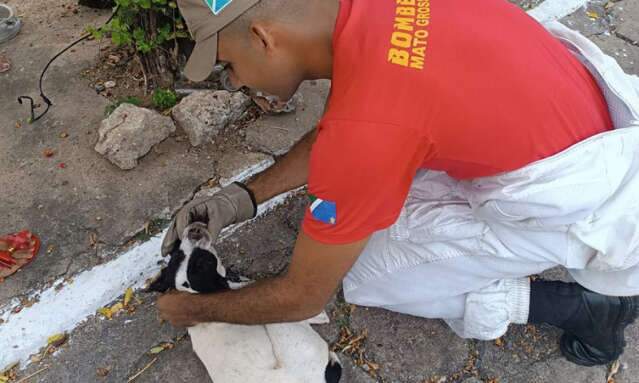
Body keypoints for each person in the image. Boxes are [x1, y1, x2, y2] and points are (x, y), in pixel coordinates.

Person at [157, 0, 639, 367]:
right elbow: (349, 127)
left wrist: (196, 311)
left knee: (369, 274)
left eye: (229, 64)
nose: (237, 81)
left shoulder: (369, 130)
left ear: (265, 38)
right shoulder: (369, 16)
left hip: (582, 200)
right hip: (585, 114)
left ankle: (589, 309)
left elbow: (303, 296)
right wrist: (241, 199)